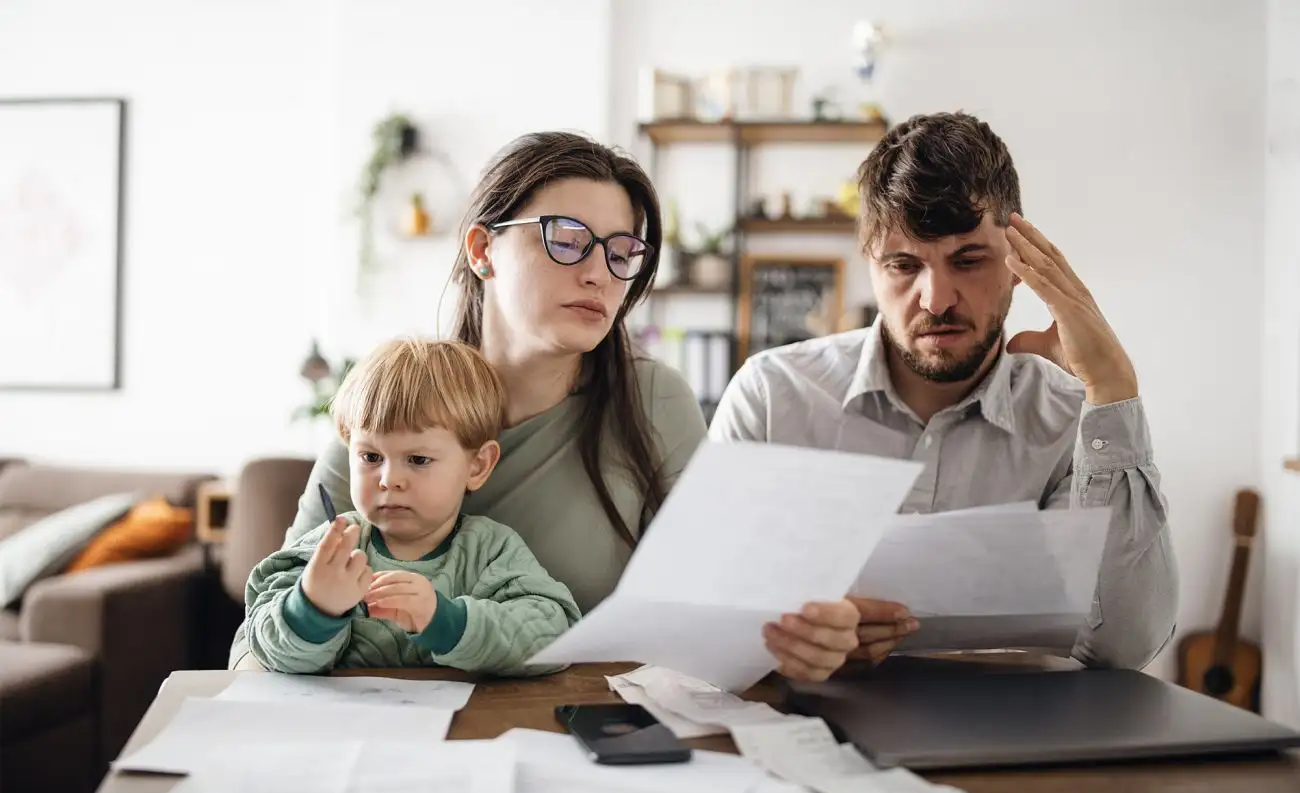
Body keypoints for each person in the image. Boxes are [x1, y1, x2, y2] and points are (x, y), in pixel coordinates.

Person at [229, 131, 861, 682]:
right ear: (481, 250)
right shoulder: (391, 404)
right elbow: (258, 644)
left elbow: (722, 610)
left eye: (621, 253)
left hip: (576, 732)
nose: (599, 275)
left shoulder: (653, 401)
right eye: (566, 239)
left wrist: (799, 635)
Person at [709, 111, 1177, 672]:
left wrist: (1113, 388)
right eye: (904, 265)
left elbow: (1124, 647)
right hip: (803, 730)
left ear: (1020, 263)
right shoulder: (770, 397)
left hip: (1012, 739)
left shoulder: (1076, 422)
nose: (936, 299)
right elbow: (706, 615)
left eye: (969, 260)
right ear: (871, 269)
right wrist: (791, 638)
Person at [244, 338, 581, 675]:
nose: (389, 480)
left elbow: (553, 636)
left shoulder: (490, 551)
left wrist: (446, 621)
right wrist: (313, 609)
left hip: (461, 725)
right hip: (345, 725)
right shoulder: (329, 548)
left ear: (477, 466)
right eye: (371, 457)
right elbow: (261, 642)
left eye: (418, 459)